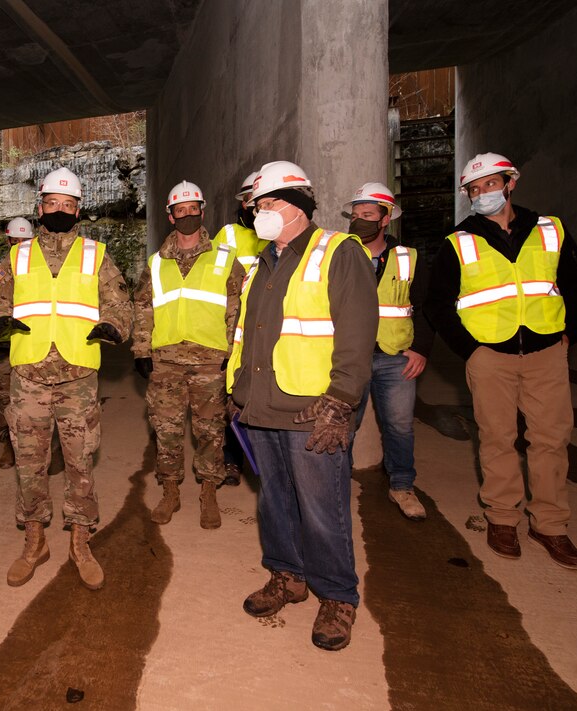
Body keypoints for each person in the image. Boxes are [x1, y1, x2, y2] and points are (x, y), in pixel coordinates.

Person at [227, 162, 376, 651]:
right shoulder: (260, 264)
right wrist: (236, 393)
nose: (259, 214)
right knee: (273, 499)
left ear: (294, 205)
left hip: (313, 410)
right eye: (257, 207)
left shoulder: (337, 252)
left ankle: (337, 597)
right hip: (261, 406)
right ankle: (287, 575)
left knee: (321, 506)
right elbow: (249, 337)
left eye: (266, 205)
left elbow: (356, 335)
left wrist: (342, 401)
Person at [425, 153, 577, 569]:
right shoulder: (457, 242)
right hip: (490, 356)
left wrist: (568, 335)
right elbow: (438, 304)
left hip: (546, 353)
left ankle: (550, 525)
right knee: (497, 437)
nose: (483, 194)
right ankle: (502, 518)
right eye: (475, 189)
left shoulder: (549, 230)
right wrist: (471, 350)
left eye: (490, 184)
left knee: (551, 439)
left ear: (510, 183)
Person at [0, 166, 132, 590]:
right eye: (52, 204)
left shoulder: (96, 256)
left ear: (79, 209)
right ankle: (34, 542)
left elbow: (120, 304)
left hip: (77, 377)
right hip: (28, 374)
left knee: (81, 464)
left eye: (68, 205)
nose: (60, 211)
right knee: (30, 464)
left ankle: (81, 542)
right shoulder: (16, 255)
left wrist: (114, 327)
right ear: (40, 207)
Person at [133, 181, 246, 528]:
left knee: (210, 431)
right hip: (165, 360)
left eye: (192, 209)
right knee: (165, 430)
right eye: (180, 211)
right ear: (170, 216)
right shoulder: (155, 263)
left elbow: (236, 308)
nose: (187, 215)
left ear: (202, 211)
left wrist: (231, 350)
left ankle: (208, 491)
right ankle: (170, 491)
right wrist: (140, 348)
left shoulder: (226, 258)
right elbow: (143, 308)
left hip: (209, 360)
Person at [344, 182, 434, 520]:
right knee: (343, 424)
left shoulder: (407, 258)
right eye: (355, 216)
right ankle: (336, 484)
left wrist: (421, 349)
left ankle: (402, 486)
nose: (359, 221)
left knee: (399, 426)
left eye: (367, 215)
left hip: (395, 357)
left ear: (385, 219)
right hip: (350, 358)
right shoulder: (341, 254)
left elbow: (425, 307)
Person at [211, 170, 268, 485]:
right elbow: (214, 284)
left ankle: (266, 461)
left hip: (272, 331)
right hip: (235, 332)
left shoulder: (279, 236)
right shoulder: (228, 236)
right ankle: (231, 461)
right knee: (231, 397)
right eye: (248, 201)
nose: (253, 206)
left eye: (258, 201)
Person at [0, 217, 35, 469]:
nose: (20, 245)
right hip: (6, 347)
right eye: (15, 240)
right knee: (4, 396)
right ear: (8, 240)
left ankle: (45, 446)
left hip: (35, 344)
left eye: (25, 241)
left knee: (39, 399)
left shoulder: (41, 272)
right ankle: (9, 444)